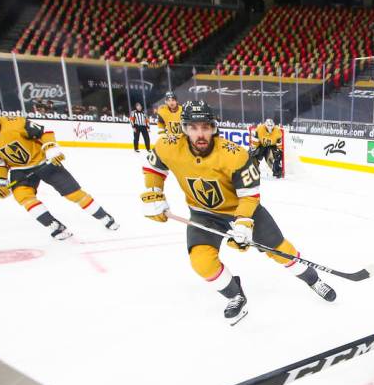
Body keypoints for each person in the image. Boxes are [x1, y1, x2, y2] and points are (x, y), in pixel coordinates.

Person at [140, 101, 335, 325]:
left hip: (242, 212)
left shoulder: (233, 154)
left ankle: (313, 280)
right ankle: (235, 295)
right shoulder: (168, 145)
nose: (200, 133)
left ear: (214, 127)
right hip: (202, 214)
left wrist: (243, 223)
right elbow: (154, 167)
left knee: (282, 251)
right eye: (193, 128)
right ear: (184, 128)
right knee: (201, 262)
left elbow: (249, 194)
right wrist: (154, 192)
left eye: (205, 127)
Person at [0, 100, 119, 240]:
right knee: (23, 197)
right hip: (19, 169)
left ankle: (104, 217)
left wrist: (50, 148)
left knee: (74, 194)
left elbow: (44, 133)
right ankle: (54, 225)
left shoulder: (15, 122)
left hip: (43, 162)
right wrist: (1, 182)